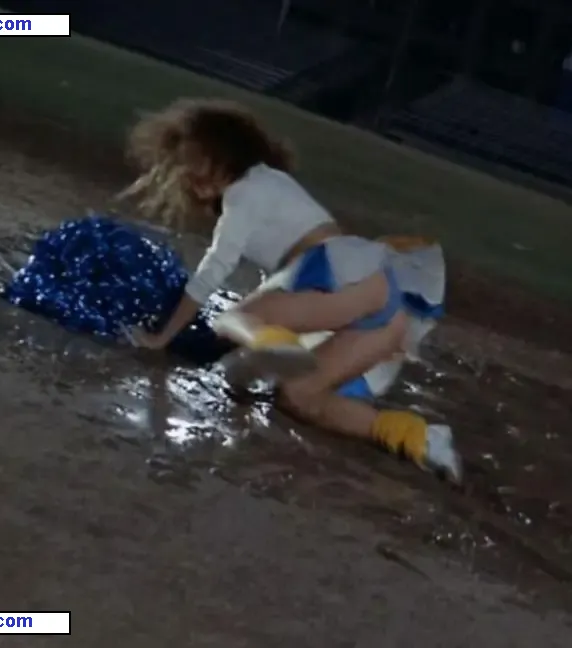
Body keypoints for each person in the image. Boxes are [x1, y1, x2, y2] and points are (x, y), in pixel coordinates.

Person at [121, 98, 462, 483]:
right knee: (300, 397)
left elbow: (213, 271)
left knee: (235, 318)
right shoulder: (271, 184)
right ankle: (421, 439)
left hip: (347, 277)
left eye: (196, 158)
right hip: (382, 310)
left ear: (226, 152)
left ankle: (277, 351)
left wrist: (162, 337)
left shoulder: (245, 191)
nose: (188, 171)